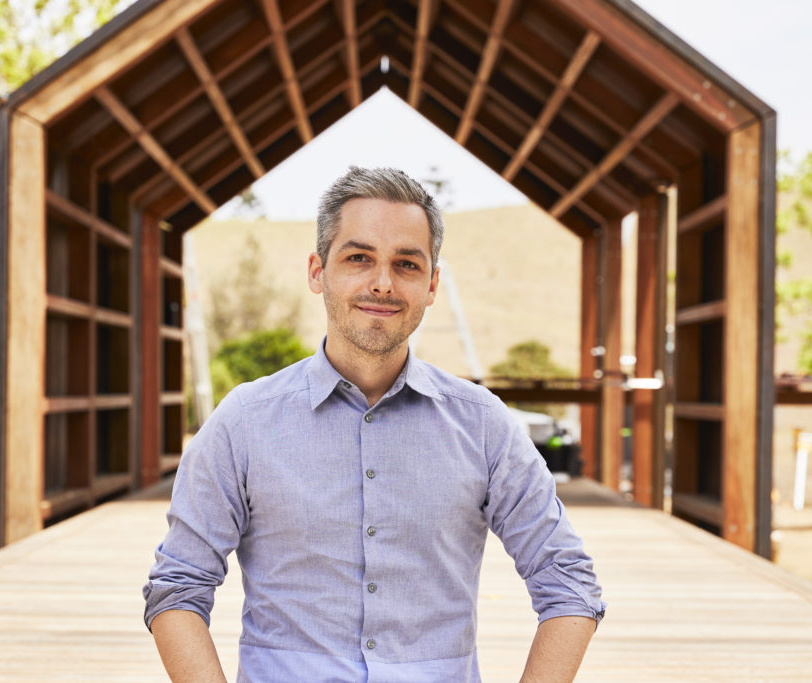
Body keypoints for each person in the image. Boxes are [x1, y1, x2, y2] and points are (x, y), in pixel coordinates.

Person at [143, 166, 605, 682]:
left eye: (406, 264)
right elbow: (178, 587)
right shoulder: (244, 423)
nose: (382, 283)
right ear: (318, 271)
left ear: (431, 284)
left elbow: (568, 581)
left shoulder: (483, 425)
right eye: (358, 258)